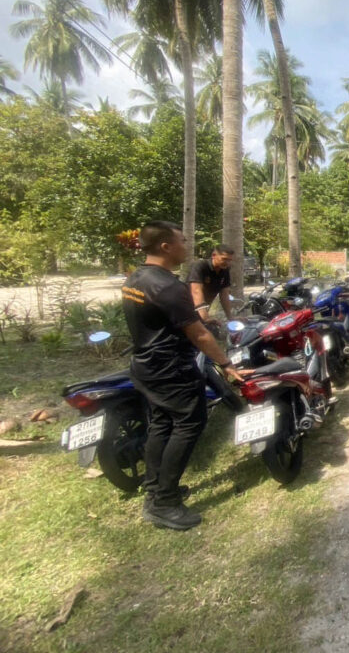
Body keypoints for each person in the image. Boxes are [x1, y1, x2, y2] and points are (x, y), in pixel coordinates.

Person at [122, 221, 244, 531]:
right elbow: (199, 333)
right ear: (166, 246)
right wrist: (226, 364)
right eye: (182, 240)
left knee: (161, 424)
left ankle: (156, 490)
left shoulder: (136, 278)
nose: (186, 245)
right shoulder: (168, 286)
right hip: (171, 368)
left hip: (145, 365)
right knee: (189, 424)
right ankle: (164, 503)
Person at [187, 244, 235, 322]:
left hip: (202, 310)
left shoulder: (225, 270)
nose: (227, 263)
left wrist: (230, 317)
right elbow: (196, 291)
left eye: (230, 260)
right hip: (187, 309)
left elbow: (224, 294)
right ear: (213, 255)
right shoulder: (200, 266)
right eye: (224, 259)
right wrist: (205, 317)